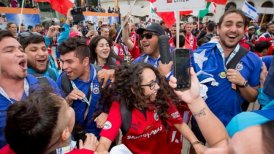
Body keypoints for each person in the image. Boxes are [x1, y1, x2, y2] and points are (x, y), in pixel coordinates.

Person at [96, 63, 206, 154]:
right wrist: (102, 151)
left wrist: (196, 143)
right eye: (151, 84)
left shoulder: (161, 99)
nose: (157, 87)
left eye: (156, 81)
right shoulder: (120, 107)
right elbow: (104, 143)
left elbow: (179, 124)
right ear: (135, 89)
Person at [191, 9, 262, 143]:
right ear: (218, 28)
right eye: (228, 24)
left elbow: (253, 97)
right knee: (197, 149)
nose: (234, 29)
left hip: (231, 124)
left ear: (244, 30)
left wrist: (243, 83)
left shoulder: (253, 60)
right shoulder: (199, 55)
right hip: (200, 119)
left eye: (239, 25)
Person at [0, 30, 62, 148]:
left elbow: (63, 124)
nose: (20, 54)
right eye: (10, 50)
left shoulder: (47, 83)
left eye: (20, 50)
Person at [0, 90, 100, 154]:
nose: (70, 108)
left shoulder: (17, 145)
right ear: (65, 133)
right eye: (68, 108)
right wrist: (87, 151)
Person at [57, 37, 109, 139]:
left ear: (85, 61)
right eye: (62, 61)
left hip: (101, 137)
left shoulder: (102, 76)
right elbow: (56, 112)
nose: (64, 67)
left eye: (69, 62)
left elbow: (117, 103)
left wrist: (107, 114)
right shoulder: (63, 79)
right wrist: (67, 100)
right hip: (74, 138)